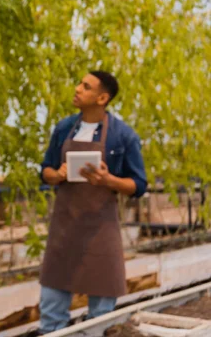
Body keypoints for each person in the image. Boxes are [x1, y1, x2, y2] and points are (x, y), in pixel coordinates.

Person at [38, 71, 147, 334]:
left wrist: (109, 180)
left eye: (85, 86)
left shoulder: (122, 136)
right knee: (51, 309)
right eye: (79, 83)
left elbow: (139, 185)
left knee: (101, 316)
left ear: (102, 98)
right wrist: (58, 174)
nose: (77, 89)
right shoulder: (64, 128)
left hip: (101, 231)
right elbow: (45, 170)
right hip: (64, 229)